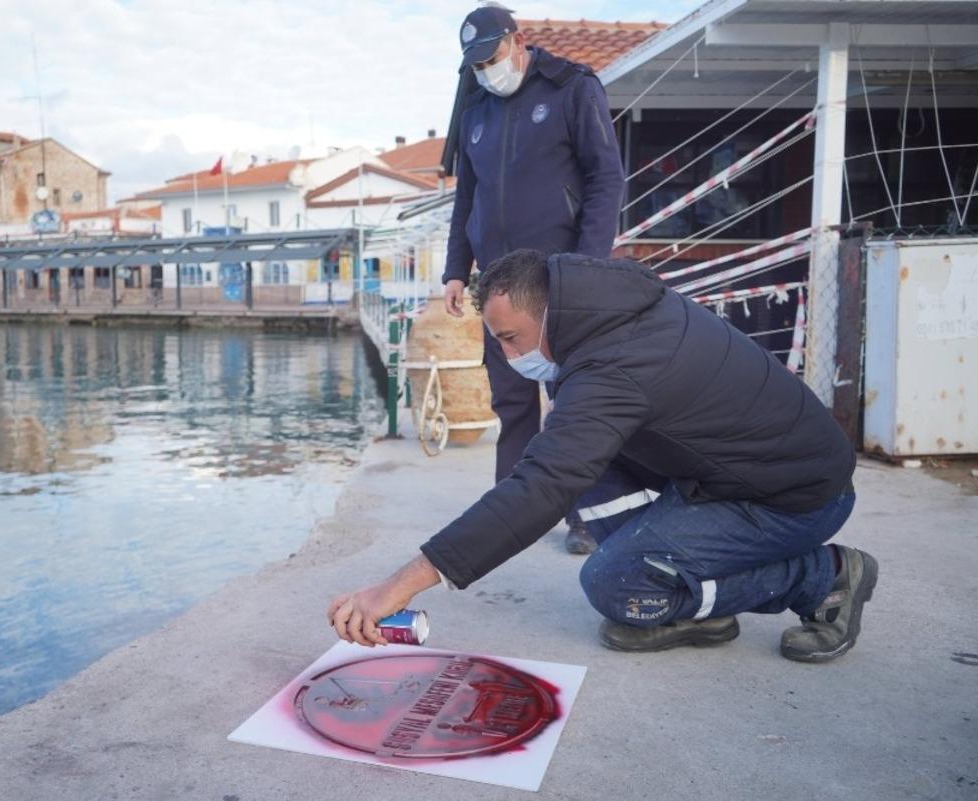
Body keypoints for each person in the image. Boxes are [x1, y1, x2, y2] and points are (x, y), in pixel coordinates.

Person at [329, 249, 878, 663]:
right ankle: (687, 599)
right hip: (735, 472)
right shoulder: (612, 314)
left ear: (548, 314)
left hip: (794, 498)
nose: (509, 355)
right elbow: (560, 464)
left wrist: (395, 587)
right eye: (497, 342)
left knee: (616, 586)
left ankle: (823, 576)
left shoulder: (614, 367)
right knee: (577, 460)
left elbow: (540, 488)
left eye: (512, 338)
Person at [443, 4, 625, 555]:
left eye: (492, 58)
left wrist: (587, 266)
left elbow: (605, 178)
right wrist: (456, 271)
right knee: (512, 402)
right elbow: (466, 198)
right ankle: (511, 513)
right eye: (476, 65)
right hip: (498, 286)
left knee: (573, 403)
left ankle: (588, 514)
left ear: (518, 41)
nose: (487, 71)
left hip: (558, 280)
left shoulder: (572, 87)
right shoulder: (474, 109)